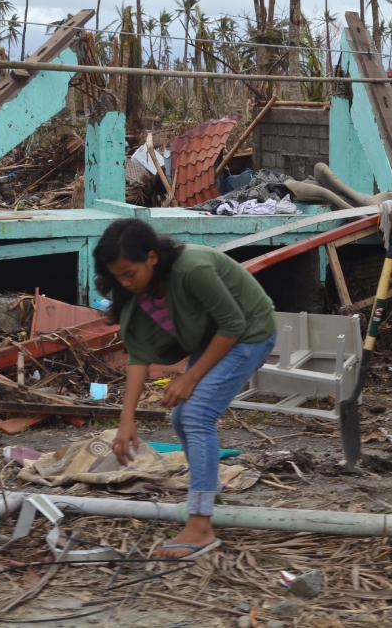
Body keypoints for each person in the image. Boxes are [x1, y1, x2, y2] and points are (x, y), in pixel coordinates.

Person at [94, 219, 277, 560]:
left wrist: (189, 378)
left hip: (250, 333)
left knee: (195, 414)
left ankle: (200, 526)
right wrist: (126, 420)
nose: (124, 282)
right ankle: (208, 497)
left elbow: (234, 324)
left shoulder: (191, 269)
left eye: (129, 273)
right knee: (181, 419)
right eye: (117, 276)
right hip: (215, 339)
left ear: (151, 257)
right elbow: (139, 356)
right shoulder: (140, 293)